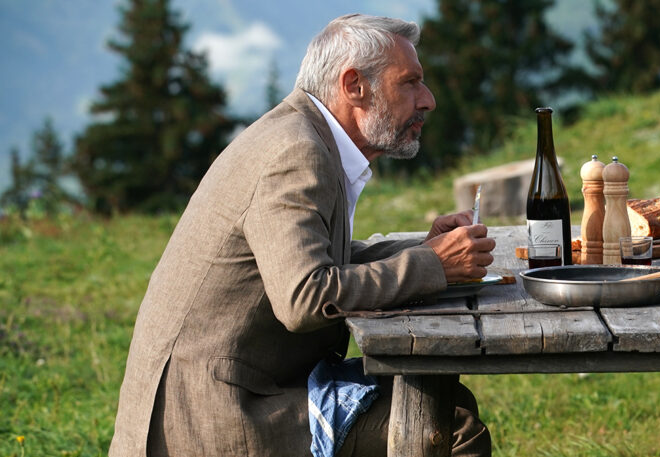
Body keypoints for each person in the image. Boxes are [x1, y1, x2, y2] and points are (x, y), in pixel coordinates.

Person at [109, 14, 494, 457]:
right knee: (451, 427)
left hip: (232, 390)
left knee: (445, 400)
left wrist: (425, 249)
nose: (428, 100)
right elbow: (305, 296)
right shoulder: (297, 152)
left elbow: (319, 259)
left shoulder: (301, 134)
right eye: (410, 82)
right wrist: (433, 264)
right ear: (354, 86)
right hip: (216, 415)